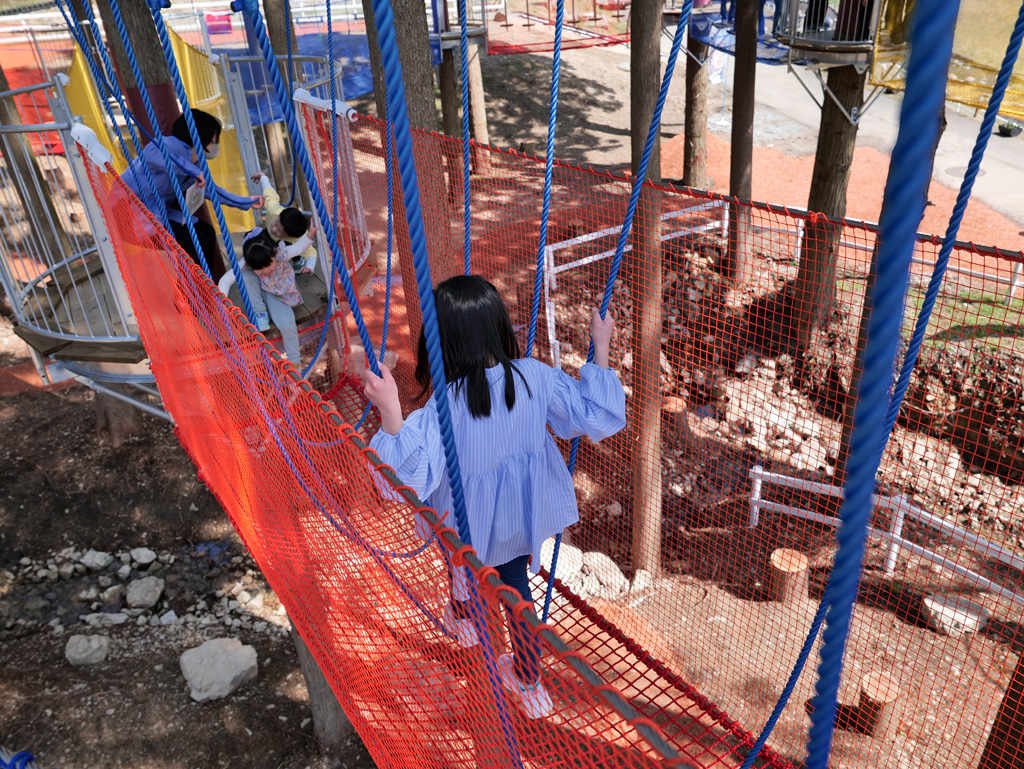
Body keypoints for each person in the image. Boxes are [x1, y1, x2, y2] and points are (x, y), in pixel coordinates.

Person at [363, 275, 627, 719]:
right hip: (517, 519)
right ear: (498, 326)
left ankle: (464, 620)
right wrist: (600, 347)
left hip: (464, 523)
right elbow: (595, 416)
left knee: (458, 561)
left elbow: (400, 481)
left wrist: (390, 410)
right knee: (516, 595)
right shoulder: (535, 378)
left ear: (441, 340)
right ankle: (529, 683)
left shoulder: (443, 405)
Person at [121, 110, 263, 282]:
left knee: (207, 232)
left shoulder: (196, 163)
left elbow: (213, 191)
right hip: (126, 214)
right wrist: (193, 171)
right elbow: (152, 155)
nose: (216, 144)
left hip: (152, 212)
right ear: (203, 137)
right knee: (194, 242)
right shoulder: (169, 145)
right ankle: (191, 302)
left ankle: (206, 290)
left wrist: (247, 202)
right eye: (214, 138)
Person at [231, 227, 317, 369]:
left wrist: (311, 234)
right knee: (245, 276)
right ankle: (260, 313)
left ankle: (295, 363)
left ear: (274, 253)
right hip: (259, 287)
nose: (265, 271)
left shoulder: (280, 253)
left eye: (268, 265)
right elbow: (227, 280)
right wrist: (220, 298)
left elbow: (299, 247)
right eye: (259, 268)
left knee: (287, 324)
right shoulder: (246, 263)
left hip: (277, 292)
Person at [250, 171, 318, 276]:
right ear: (279, 216)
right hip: (268, 235)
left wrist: (309, 267)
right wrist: (262, 176)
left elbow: (311, 253)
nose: (275, 229)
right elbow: (269, 193)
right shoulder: (274, 210)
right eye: (276, 224)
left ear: (289, 235)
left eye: (280, 232)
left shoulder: (298, 237)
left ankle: (297, 260)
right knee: (259, 238)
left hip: (284, 244)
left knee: (293, 247)